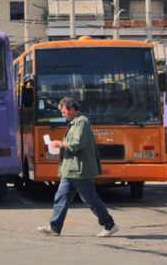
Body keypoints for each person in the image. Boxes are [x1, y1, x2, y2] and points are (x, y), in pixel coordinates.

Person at [37, 96, 119, 237]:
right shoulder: (74, 123)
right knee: (61, 197)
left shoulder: (82, 122)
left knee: (90, 199)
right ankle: (54, 227)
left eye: (64, 112)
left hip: (79, 170)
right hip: (70, 169)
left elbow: (77, 144)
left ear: (73, 109)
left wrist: (59, 144)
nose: (62, 115)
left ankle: (109, 225)